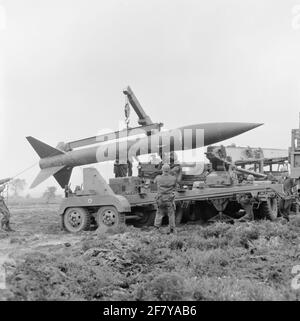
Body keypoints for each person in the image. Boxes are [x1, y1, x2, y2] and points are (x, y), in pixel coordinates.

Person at [153, 163, 178, 234]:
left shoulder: (158, 177)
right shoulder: (173, 178)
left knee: (159, 213)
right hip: (169, 199)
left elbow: (153, 183)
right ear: (169, 170)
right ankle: (172, 229)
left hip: (160, 199)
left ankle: (156, 228)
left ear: (162, 170)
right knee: (171, 214)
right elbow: (176, 187)